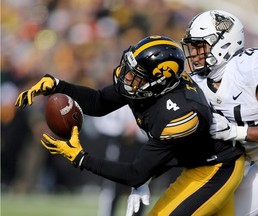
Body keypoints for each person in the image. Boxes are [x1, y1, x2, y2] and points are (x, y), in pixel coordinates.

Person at [15, 35, 245, 215]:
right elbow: (98, 102)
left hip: (215, 169)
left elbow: (135, 173)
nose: (126, 78)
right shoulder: (148, 86)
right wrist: (57, 85)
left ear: (160, 81)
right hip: (194, 164)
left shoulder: (180, 114)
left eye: (136, 76)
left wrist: (80, 158)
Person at [126, 10, 258, 216]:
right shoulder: (197, 85)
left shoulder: (250, 66)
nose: (194, 53)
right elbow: (177, 141)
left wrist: (234, 132)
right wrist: (145, 176)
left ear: (225, 42)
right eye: (192, 47)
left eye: (200, 46)